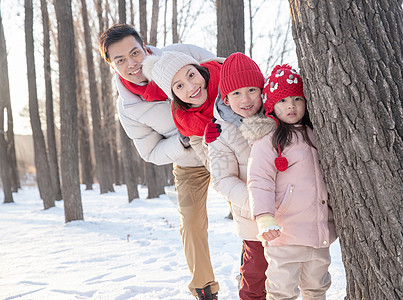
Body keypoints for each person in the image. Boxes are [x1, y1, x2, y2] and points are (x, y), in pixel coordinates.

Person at [98, 24, 219, 300]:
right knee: (191, 223)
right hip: (189, 161)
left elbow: (222, 73)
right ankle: (205, 289)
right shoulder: (129, 108)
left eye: (134, 53)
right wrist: (184, 141)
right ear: (112, 65)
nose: (132, 64)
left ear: (144, 46)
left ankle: (258, 277)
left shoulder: (181, 54)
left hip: (225, 142)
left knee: (253, 208)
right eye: (120, 60)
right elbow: (150, 152)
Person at [244, 64, 337, 300]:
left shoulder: (315, 133)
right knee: (282, 290)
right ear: (272, 105)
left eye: (297, 98)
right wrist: (264, 216)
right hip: (284, 233)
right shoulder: (268, 139)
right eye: (283, 100)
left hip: (317, 231)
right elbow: (259, 180)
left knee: (316, 288)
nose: (291, 105)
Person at [206, 52, 268, 300]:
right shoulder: (220, 132)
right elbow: (222, 179)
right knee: (255, 274)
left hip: (289, 212)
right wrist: (257, 202)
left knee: (287, 273)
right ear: (226, 98)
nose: (246, 99)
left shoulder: (277, 117)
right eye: (236, 93)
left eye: (252, 89)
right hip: (252, 217)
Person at [141, 50, 222, 169]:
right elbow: (213, 167)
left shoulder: (227, 76)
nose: (191, 87)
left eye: (191, 75)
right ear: (174, 95)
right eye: (179, 86)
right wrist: (208, 143)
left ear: (198, 69)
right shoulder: (189, 124)